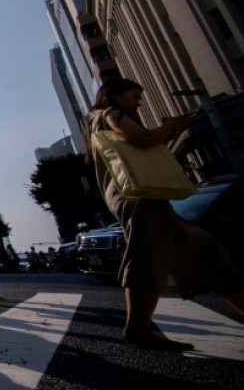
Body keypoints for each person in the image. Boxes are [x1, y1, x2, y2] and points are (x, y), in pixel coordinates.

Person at [85, 78, 244, 351]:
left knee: (204, 248)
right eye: (134, 96)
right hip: (140, 197)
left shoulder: (94, 121)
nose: (138, 102)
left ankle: (138, 328)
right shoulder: (112, 114)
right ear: (116, 95)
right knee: (146, 255)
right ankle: (137, 329)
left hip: (138, 197)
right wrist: (173, 125)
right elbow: (141, 139)